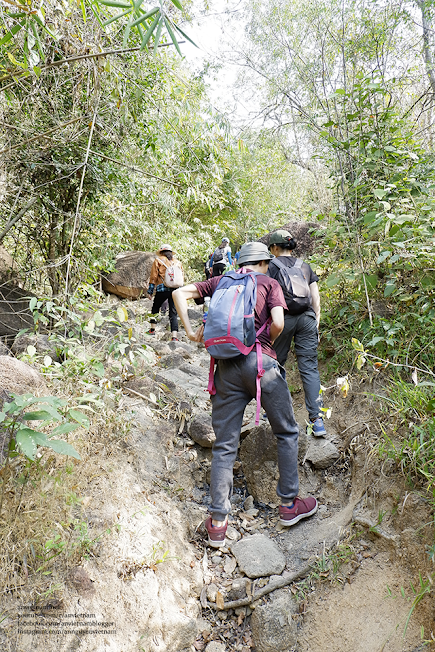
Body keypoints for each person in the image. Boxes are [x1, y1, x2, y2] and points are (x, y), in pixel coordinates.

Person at [173, 242, 318, 548]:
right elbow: (278, 322)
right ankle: (289, 506)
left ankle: (217, 523)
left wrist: (189, 331)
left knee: (225, 445)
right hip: (262, 365)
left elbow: (178, 293)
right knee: (287, 432)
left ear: (240, 263)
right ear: (265, 262)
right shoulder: (270, 283)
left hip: (225, 368)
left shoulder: (221, 281)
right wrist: (265, 341)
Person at [267, 230, 326, 436]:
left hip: (283, 318)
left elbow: (267, 296)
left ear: (274, 248)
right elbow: (315, 297)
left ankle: (274, 412)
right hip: (307, 318)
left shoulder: (272, 266)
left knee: (275, 363)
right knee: (309, 368)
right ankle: (317, 420)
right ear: (291, 247)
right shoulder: (305, 266)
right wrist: (316, 320)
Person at [147, 244, 182, 342]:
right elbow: (181, 276)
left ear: (161, 252)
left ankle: (152, 330)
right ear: (171, 252)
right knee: (173, 312)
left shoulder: (158, 260)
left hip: (162, 289)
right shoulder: (177, 262)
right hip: (175, 290)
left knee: (155, 308)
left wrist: (150, 291)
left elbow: (153, 277)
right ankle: (174, 337)